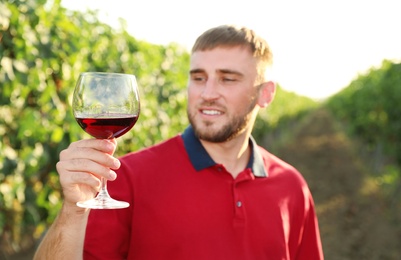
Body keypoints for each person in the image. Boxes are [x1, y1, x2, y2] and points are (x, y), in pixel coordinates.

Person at [34, 25, 324, 260]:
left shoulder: (292, 187)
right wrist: (73, 210)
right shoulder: (126, 177)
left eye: (227, 79)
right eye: (199, 77)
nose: (208, 93)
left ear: (266, 94)